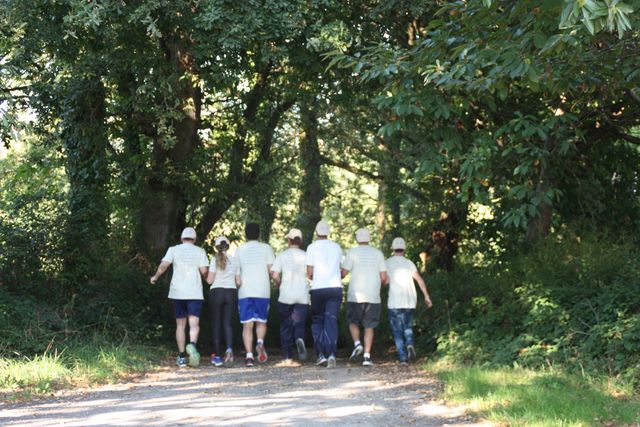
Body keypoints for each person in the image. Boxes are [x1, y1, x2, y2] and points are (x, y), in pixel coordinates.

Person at [150, 227, 209, 368]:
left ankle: (182, 356)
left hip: (177, 292)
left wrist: (155, 277)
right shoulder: (200, 251)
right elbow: (204, 271)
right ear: (194, 239)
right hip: (194, 292)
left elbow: (164, 265)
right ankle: (193, 346)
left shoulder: (173, 249)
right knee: (194, 324)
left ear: (182, 238)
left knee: (180, 325)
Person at [341, 228, 388, 367]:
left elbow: (343, 273)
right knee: (369, 325)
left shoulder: (352, 252)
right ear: (369, 238)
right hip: (373, 295)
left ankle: (357, 344)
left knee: (352, 321)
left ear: (357, 239)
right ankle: (367, 357)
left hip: (356, 294)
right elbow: (384, 277)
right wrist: (380, 287)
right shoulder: (378, 253)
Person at [385, 237, 433, 364]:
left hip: (394, 301)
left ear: (393, 249)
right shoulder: (409, 263)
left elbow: (385, 280)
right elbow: (420, 280)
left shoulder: (388, 263)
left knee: (397, 330)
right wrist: (426, 296)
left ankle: (403, 358)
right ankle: (410, 344)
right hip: (409, 301)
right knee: (408, 326)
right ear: (404, 249)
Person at [234, 222, 275, 367]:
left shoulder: (239, 250)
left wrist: (238, 285)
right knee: (261, 321)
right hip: (262, 290)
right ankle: (260, 342)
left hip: (245, 291)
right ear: (259, 234)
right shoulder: (266, 249)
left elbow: (237, 277)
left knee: (247, 325)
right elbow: (272, 271)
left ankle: (249, 356)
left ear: (245, 234)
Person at [306, 220, 343, 368]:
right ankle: (332, 354)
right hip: (335, 288)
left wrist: (314, 277)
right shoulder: (336, 247)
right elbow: (341, 268)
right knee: (331, 321)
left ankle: (321, 354)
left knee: (318, 321)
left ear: (316, 232)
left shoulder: (311, 248)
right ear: (328, 232)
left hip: (318, 288)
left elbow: (309, 273)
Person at [271, 228, 309, 364]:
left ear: (289, 240)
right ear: (301, 241)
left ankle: (287, 355)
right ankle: (299, 338)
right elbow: (311, 274)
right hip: (302, 295)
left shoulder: (282, 255)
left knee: (285, 325)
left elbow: (274, 274)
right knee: (299, 324)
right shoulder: (306, 255)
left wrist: (279, 283)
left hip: (286, 295)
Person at [206, 235, 237, 367]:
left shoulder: (214, 260)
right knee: (228, 324)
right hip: (231, 292)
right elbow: (239, 281)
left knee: (216, 324)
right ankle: (229, 351)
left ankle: (217, 357)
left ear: (216, 247)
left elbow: (209, 280)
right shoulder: (235, 260)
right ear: (228, 246)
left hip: (216, 292)